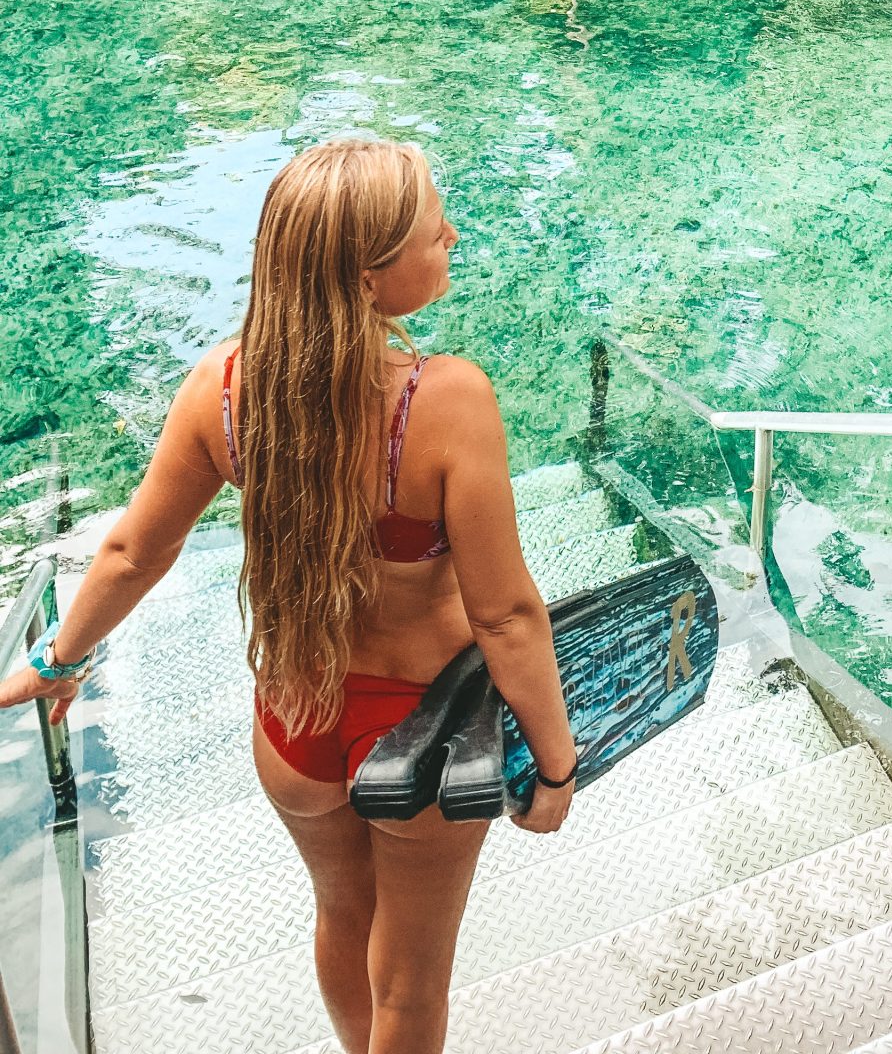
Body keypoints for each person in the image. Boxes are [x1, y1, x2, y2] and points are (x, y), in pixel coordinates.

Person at [0, 136, 577, 1054]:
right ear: (367, 278)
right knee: (414, 983)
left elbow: (128, 556)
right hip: (420, 729)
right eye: (435, 230)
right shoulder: (449, 400)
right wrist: (555, 766)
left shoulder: (223, 392)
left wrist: (58, 659)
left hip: (296, 723)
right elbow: (508, 617)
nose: (454, 236)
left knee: (343, 919)